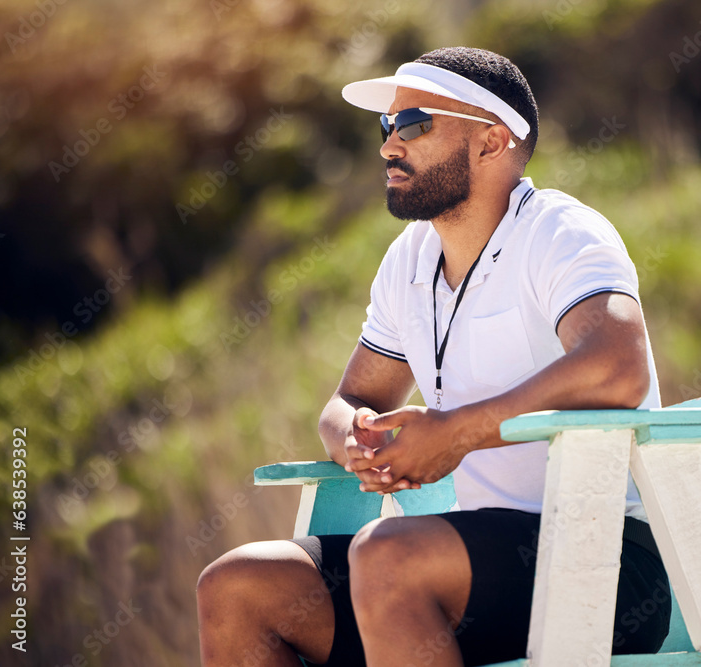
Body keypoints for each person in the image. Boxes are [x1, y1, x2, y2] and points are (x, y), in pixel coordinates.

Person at [197, 46, 670, 667]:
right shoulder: (409, 259)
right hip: (468, 561)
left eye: (414, 123)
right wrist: (362, 443)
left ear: (491, 141)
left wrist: (454, 434)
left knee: (387, 555)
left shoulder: (560, 231)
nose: (390, 146)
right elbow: (351, 400)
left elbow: (617, 367)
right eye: (386, 127)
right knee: (238, 587)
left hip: (606, 558)